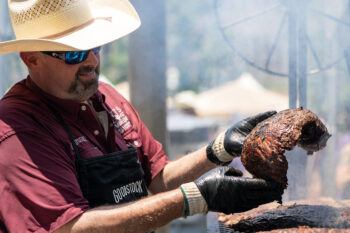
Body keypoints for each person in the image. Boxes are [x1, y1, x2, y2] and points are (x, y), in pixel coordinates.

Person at [0, 0, 283, 232]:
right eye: (74, 54)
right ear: (31, 58)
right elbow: (70, 227)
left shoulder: (109, 98)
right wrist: (196, 198)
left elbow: (158, 178)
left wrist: (217, 150)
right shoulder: (17, 129)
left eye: (96, 47)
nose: (92, 61)